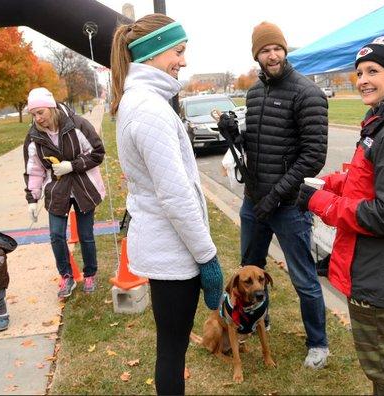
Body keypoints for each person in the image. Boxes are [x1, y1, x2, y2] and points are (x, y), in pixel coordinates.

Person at [296, 31, 384, 395]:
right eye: (359, 73)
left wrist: (321, 203)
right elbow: (366, 181)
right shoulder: (383, 122)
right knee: (379, 368)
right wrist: (327, 183)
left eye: (373, 71)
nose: (362, 81)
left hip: (381, 274)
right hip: (369, 267)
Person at [110, 14, 224, 395]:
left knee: (170, 348)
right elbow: (175, 196)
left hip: (167, 246)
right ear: (154, 52)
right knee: (172, 352)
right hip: (174, 254)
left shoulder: (142, 101)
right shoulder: (149, 109)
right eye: (178, 51)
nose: (184, 61)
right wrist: (207, 258)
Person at [237, 21, 330, 369]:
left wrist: (275, 196)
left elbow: (313, 157)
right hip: (253, 201)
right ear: (257, 56)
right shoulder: (254, 93)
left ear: (285, 50)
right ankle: (260, 318)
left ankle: (318, 344)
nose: (271, 55)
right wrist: (235, 136)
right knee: (251, 270)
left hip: (287, 205)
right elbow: (260, 145)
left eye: (276, 48)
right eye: (264, 50)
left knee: (304, 278)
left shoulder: (307, 93)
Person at [22, 87, 106, 299]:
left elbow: (97, 153)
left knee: (86, 236)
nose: (37, 118)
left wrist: (73, 165)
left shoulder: (77, 125)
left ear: (51, 108)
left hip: (83, 187)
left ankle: (90, 274)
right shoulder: (33, 137)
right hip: (57, 191)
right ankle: (66, 276)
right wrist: (32, 198)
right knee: (56, 235)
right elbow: (34, 169)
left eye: (40, 112)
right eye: (33, 114)